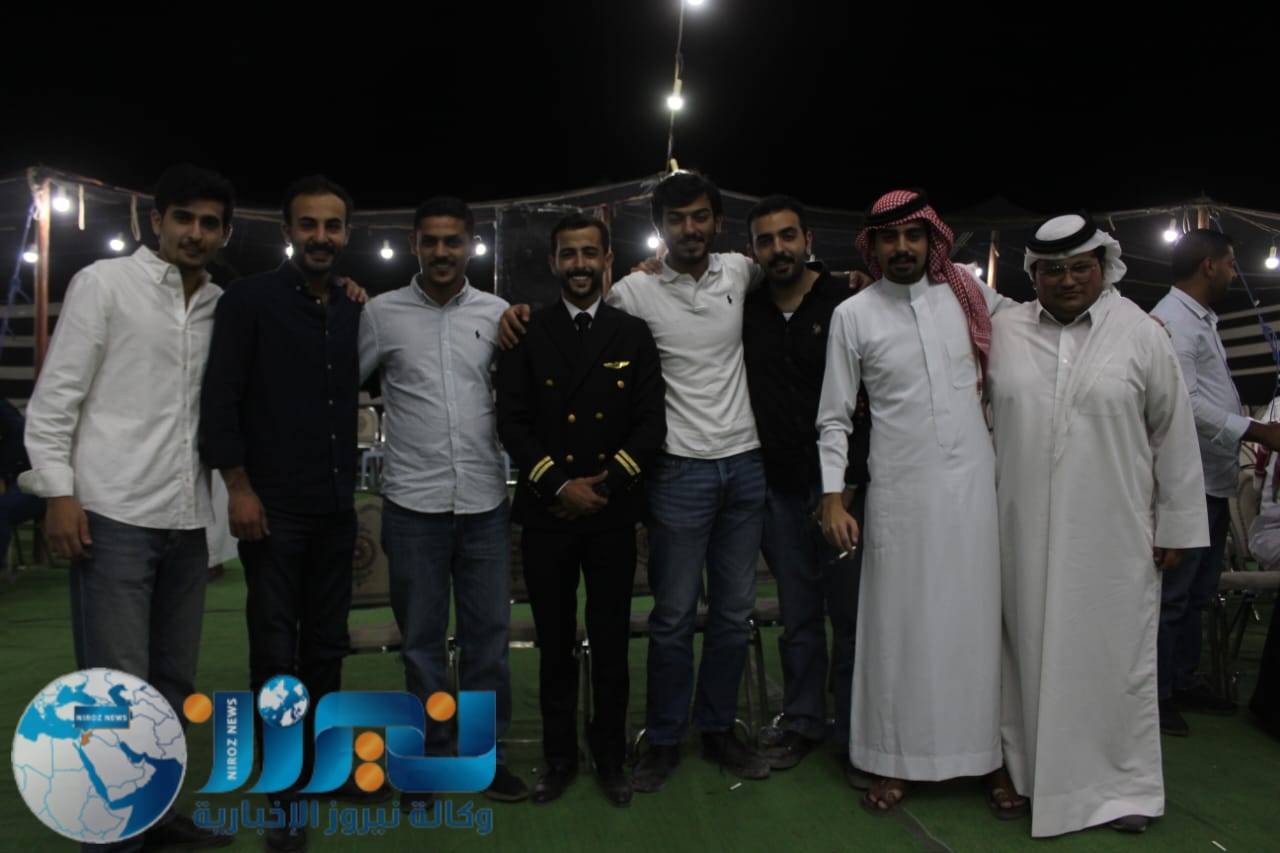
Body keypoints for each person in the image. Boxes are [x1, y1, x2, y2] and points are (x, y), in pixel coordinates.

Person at [22, 163, 236, 852]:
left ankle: (157, 816)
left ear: (224, 233)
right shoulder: (105, 284)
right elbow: (56, 398)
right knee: (114, 689)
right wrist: (59, 493)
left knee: (171, 682)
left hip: (187, 521)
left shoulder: (222, 306)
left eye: (209, 223)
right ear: (157, 221)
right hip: (111, 515)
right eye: (185, 218)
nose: (195, 233)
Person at [990, 213, 1207, 836]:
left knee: (1113, 661)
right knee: (1024, 654)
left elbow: (1174, 434)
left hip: (1114, 537)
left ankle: (1119, 788)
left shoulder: (1140, 333)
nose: (1066, 280)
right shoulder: (1005, 331)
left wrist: (1176, 528)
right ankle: (1025, 774)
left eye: (1079, 268)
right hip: (1018, 531)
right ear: (1033, 275)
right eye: (1052, 270)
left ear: (1103, 267)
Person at [816, 188, 1009, 815]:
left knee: (977, 625)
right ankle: (894, 759)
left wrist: (1125, 313)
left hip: (974, 490)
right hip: (899, 492)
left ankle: (991, 758)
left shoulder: (969, 296)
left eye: (912, 236)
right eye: (889, 238)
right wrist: (832, 497)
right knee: (899, 629)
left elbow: (1038, 325)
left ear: (932, 240)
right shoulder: (854, 314)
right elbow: (834, 417)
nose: (902, 248)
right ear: (872, 246)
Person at [358, 196, 528, 803]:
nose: (440, 251)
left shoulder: (498, 313)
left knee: (488, 644)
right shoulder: (380, 314)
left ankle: (484, 757)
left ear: (470, 245)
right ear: (414, 244)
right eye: (429, 241)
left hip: (484, 505)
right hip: (413, 508)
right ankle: (429, 758)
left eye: (452, 241)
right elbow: (340, 386)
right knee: (422, 647)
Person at [496, 212, 665, 806]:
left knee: (612, 643)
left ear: (607, 259)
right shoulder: (527, 331)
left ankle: (611, 758)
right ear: (553, 262)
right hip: (548, 515)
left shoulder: (632, 333)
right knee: (555, 645)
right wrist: (559, 486)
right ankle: (559, 758)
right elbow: (511, 421)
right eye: (568, 254)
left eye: (589, 253)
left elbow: (650, 424)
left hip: (611, 513)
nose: (579, 265)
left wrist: (602, 486)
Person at [1150, 229, 1280, 734]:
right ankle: (1157, 693)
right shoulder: (1174, 320)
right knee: (1174, 595)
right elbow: (1183, 400)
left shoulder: (1200, 318)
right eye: (1229, 263)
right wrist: (1254, 429)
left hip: (1214, 478)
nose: (1232, 272)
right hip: (1187, 479)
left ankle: (1182, 678)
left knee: (1198, 592)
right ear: (1209, 265)